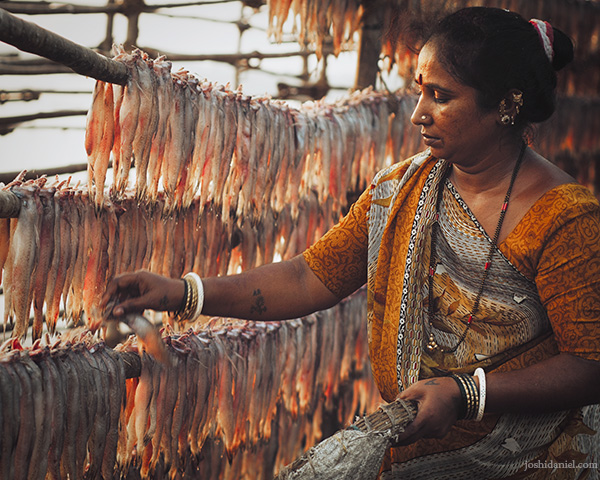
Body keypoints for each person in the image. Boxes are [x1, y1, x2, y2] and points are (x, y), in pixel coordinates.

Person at [102, 7, 600, 479]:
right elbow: (308, 277)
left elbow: (590, 364)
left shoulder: (565, 219)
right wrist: (183, 293)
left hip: (536, 458)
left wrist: (468, 394)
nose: (417, 115)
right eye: (419, 91)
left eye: (442, 98)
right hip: (414, 449)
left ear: (506, 106)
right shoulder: (401, 190)